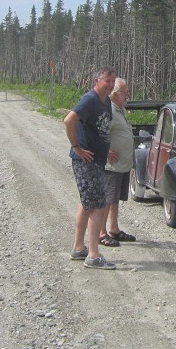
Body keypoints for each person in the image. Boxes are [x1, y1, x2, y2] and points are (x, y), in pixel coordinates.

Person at [64, 67, 118, 269]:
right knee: (97, 204)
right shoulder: (90, 99)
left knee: (87, 204)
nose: (111, 85)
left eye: (113, 81)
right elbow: (69, 120)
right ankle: (93, 255)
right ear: (97, 80)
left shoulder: (106, 102)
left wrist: (108, 148)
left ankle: (79, 248)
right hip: (86, 161)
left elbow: (101, 129)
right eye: (107, 81)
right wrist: (76, 147)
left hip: (98, 160)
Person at [100, 77, 138, 247]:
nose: (128, 94)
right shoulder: (109, 111)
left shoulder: (120, 109)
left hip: (122, 165)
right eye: (124, 92)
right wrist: (106, 151)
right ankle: (101, 233)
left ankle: (114, 229)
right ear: (115, 94)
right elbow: (98, 132)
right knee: (108, 198)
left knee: (115, 199)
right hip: (111, 166)